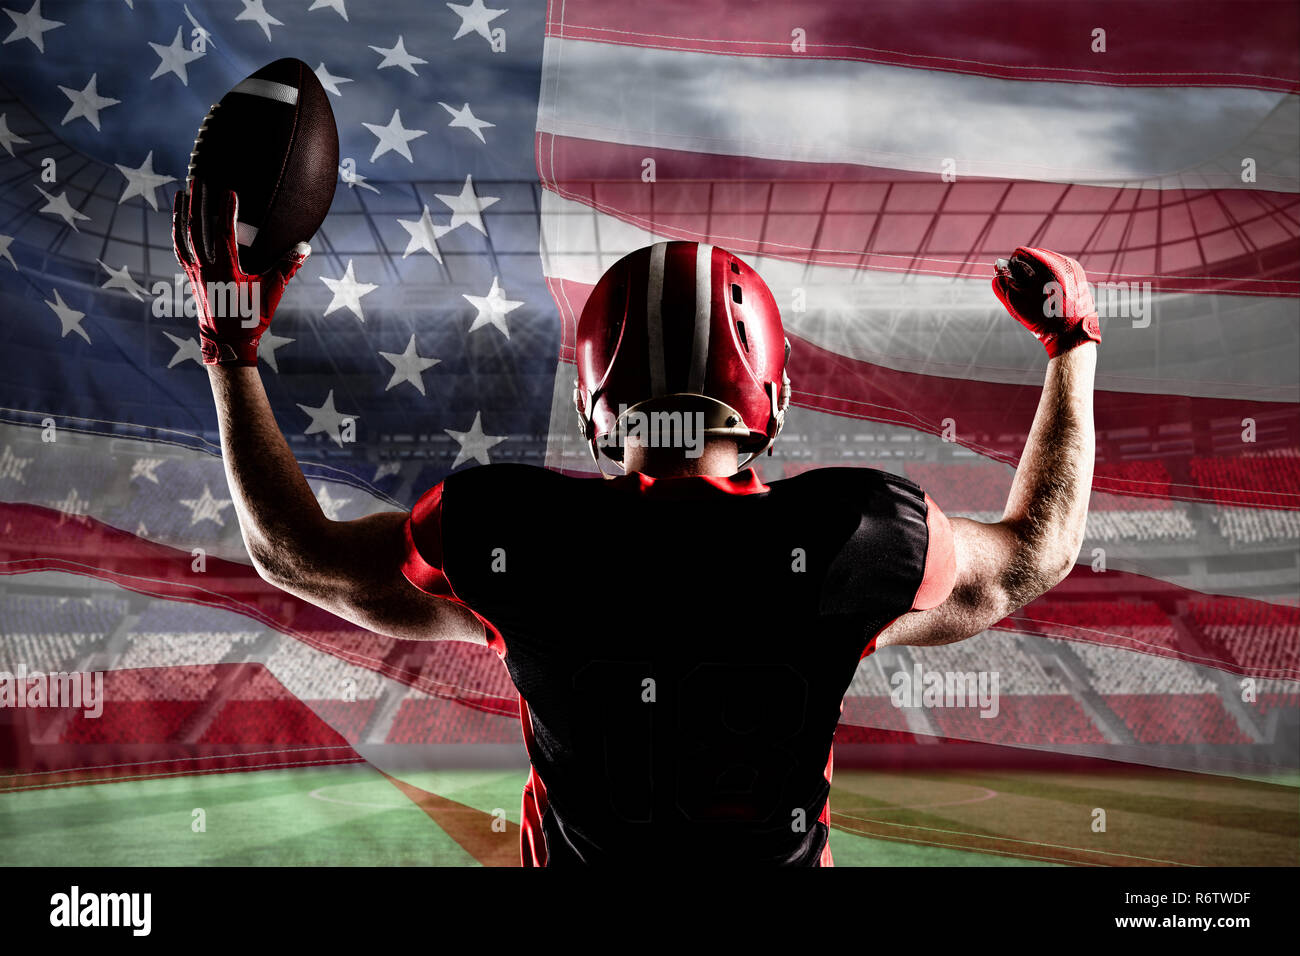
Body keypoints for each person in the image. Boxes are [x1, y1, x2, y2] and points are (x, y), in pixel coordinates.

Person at [173, 182, 1101, 866]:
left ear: (594, 404)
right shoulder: (855, 533)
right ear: (770, 400)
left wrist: (229, 349)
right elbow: (1035, 554)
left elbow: (291, 553)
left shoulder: (511, 529)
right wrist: (1072, 349)